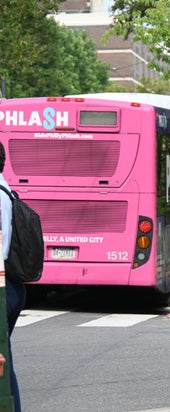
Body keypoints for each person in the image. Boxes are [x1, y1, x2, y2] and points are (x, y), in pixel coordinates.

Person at [1, 141, 25, 411]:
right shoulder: (5, 189)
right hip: (11, 286)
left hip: (3, 287)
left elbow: (1, 247)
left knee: (2, 364)